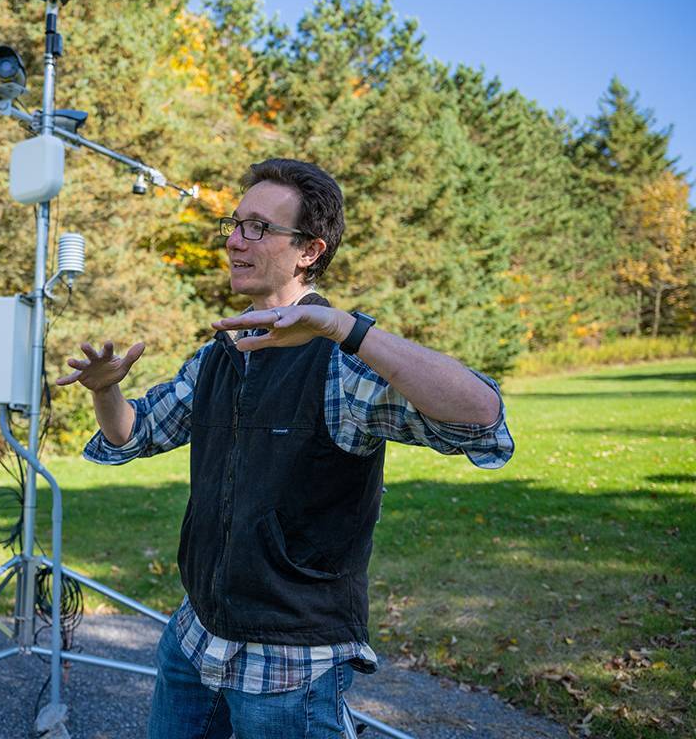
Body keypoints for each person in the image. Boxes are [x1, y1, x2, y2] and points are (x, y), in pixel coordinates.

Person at [56, 158, 514, 738]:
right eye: (235, 222)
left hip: (289, 665)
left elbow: (482, 417)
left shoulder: (341, 365)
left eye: (257, 228)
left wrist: (342, 328)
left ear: (308, 251)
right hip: (194, 640)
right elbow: (134, 433)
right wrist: (107, 390)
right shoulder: (217, 356)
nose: (234, 241)